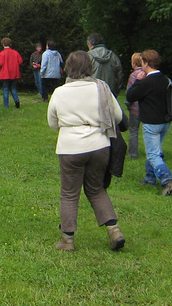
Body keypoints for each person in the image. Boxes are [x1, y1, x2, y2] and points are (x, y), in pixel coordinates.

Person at [47, 51, 126, 252]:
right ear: (90, 67)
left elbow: (52, 123)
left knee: (69, 193)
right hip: (99, 145)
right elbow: (118, 116)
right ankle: (114, 231)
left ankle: (67, 240)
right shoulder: (102, 88)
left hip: (70, 147)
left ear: (68, 68)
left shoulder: (60, 92)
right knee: (96, 189)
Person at [125, 49, 172, 196]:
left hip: (151, 122)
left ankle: (167, 180)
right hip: (165, 121)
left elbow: (130, 95)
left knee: (153, 153)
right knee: (155, 150)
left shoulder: (147, 81)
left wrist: (138, 81)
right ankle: (149, 178)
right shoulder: (165, 79)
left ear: (146, 63)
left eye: (142, 62)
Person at [125, 52, 146, 160]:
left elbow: (130, 92)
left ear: (134, 62)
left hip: (135, 108)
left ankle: (133, 154)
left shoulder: (133, 75)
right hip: (147, 108)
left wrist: (128, 104)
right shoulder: (148, 74)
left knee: (133, 131)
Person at [0, 37, 24, 109]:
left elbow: (0, 64)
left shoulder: (2, 53)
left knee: (5, 89)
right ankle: (16, 100)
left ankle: (6, 105)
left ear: (3, 44)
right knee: (13, 88)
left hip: (5, 73)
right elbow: (20, 61)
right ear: (10, 44)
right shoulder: (15, 53)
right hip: (14, 73)